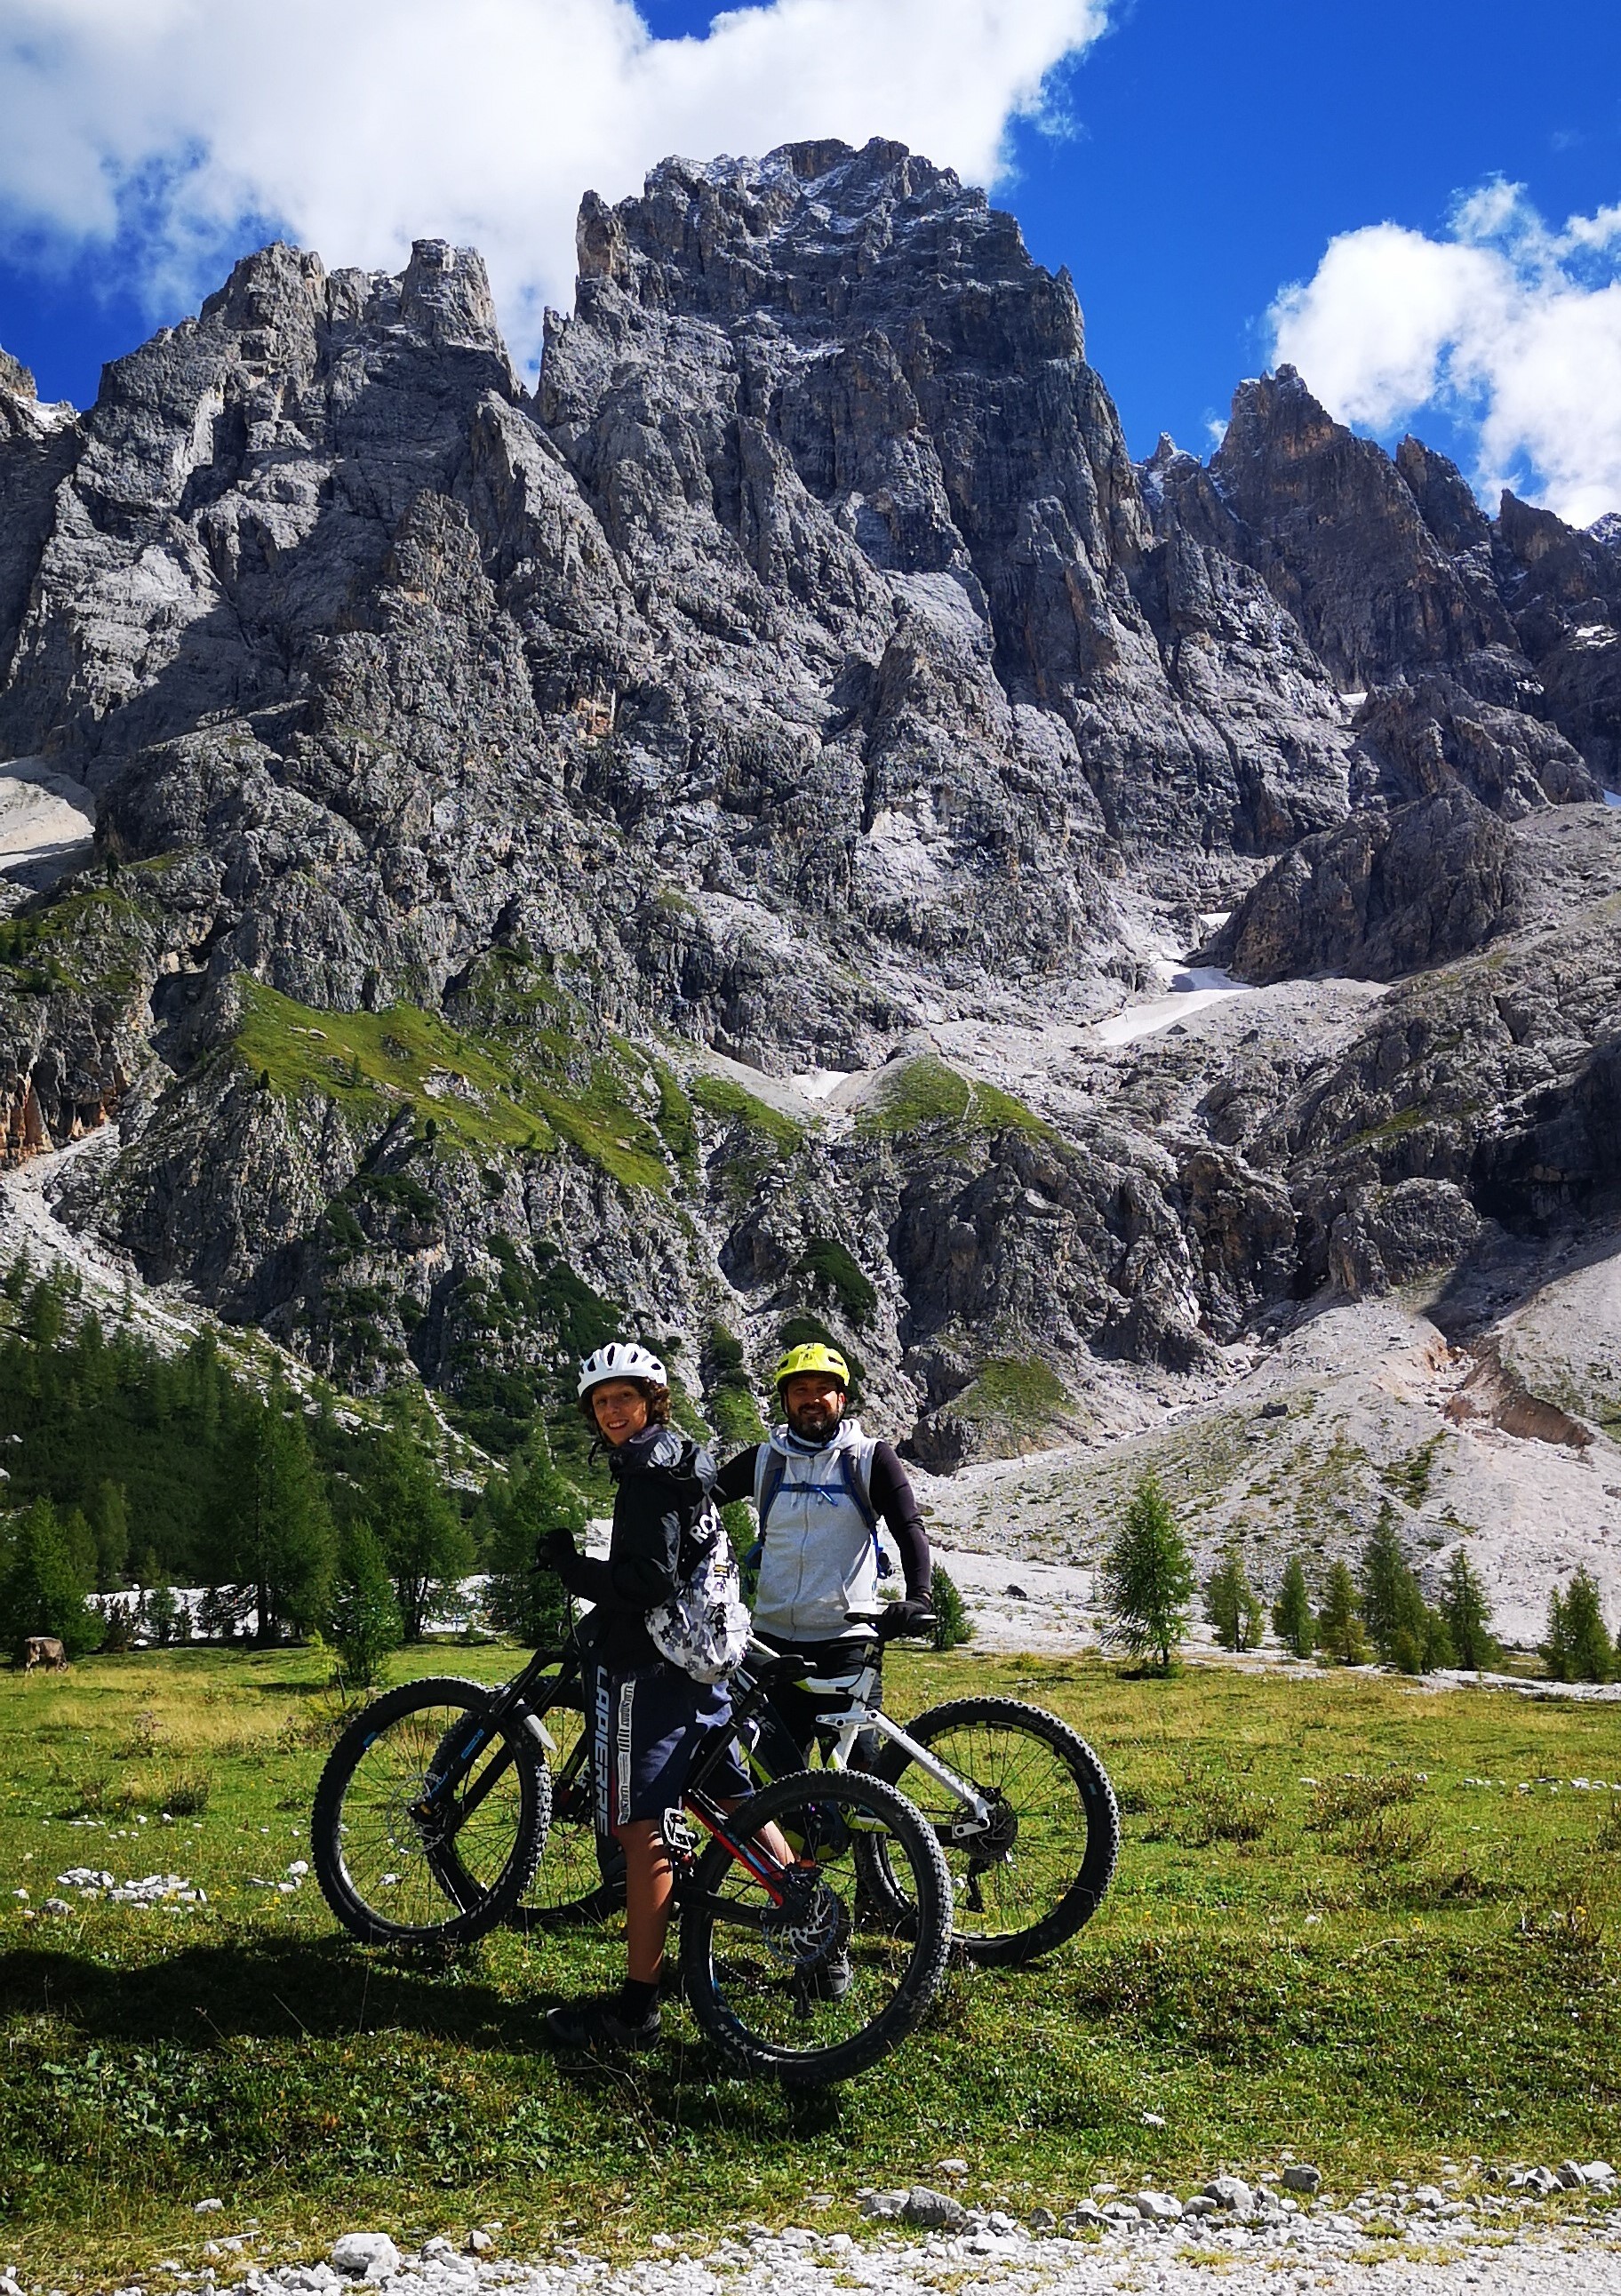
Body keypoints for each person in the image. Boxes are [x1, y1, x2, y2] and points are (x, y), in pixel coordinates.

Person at [538, 1339, 747, 2052]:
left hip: (651, 1667)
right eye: (600, 1402)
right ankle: (815, 1932)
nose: (611, 1411)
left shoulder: (647, 1476)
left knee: (639, 1830)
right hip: (704, 1662)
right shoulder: (682, 1459)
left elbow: (648, 1580)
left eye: (623, 1397)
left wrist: (572, 1569)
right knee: (729, 1800)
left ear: (651, 1399)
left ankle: (636, 2010)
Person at [711, 1341, 933, 1757]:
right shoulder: (765, 1461)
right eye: (800, 1390)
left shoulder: (870, 1458)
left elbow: (909, 1527)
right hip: (770, 1644)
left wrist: (920, 1596)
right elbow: (699, 1501)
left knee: (858, 1788)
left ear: (841, 1399)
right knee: (773, 1788)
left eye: (822, 1389)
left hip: (846, 1643)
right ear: (785, 1401)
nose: (812, 1399)